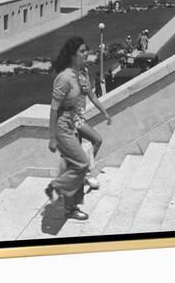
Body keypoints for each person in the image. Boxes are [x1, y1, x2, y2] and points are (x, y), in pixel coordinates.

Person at [46, 37, 112, 221]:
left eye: (86, 51)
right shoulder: (65, 78)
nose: (87, 54)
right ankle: (60, 192)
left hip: (75, 121)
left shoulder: (78, 76)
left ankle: (71, 206)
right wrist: (52, 137)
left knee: (78, 165)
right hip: (66, 125)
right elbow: (53, 108)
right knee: (79, 164)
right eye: (83, 51)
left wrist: (104, 113)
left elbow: (89, 96)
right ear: (73, 55)